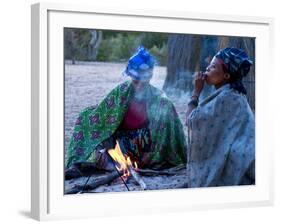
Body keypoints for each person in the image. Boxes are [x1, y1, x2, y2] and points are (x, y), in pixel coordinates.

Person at [65, 46, 187, 178]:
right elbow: (102, 115)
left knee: (166, 110)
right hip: (120, 144)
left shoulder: (160, 101)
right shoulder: (121, 92)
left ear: (150, 77)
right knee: (85, 117)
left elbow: (166, 134)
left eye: (143, 80)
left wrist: (150, 154)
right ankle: (81, 166)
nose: (139, 84)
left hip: (146, 149)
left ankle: (115, 166)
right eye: (136, 80)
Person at [185, 47, 255, 187]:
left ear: (226, 76)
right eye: (209, 65)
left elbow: (191, 121)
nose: (207, 69)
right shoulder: (234, 94)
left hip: (241, 164)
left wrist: (196, 91)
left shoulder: (226, 98)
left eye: (213, 66)